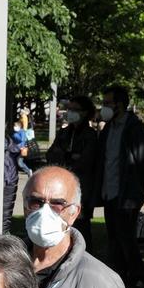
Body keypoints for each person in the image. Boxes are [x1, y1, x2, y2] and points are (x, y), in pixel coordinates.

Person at [96, 87, 144, 282]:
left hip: (126, 194)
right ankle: (118, 275)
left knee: (126, 237)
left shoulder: (134, 128)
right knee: (114, 236)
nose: (104, 107)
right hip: (109, 192)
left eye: (107, 103)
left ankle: (136, 275)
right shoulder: (109, 128)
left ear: (119, 105)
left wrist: (136, 188)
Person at [46, 96, 101, 243]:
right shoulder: (64, 132)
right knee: (61, 226)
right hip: (61, 189)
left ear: (85, 113)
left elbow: (85, 162)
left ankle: (84, 258)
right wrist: (70, 156)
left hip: (82, 190)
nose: (70, 112)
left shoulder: (90, 135)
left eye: (75, 110)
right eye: (69, 109)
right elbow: (51, 155)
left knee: (81, 228)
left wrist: (65, 158)